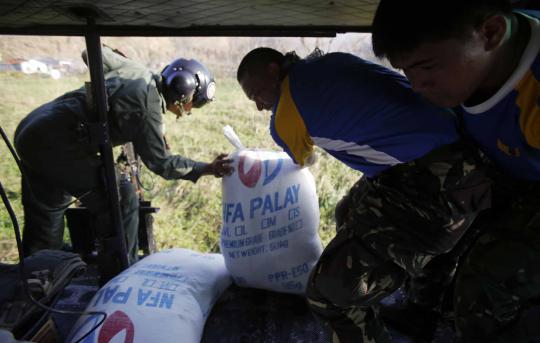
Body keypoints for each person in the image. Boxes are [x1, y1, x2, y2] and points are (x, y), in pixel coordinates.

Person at [236, 47, 491, 342]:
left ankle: (363, 294)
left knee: (326, 296)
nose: (258, 106)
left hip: (434, 182)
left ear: (272, 69)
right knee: (347, 210)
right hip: (465, 158)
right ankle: (420, 309)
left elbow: (303, 160)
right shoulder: (331, 60)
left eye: (256, 94)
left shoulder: (285, 115)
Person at [371, 1, 540, 341]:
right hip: (500, 168)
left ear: (490, 33)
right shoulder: (465, 67)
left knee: (486, 288)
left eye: (426, 67)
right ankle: (424, 309)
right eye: (406, 71)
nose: (417, 85)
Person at [14, 46, 233, 264]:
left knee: (49, 203)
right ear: (182, 93)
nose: (190, 110)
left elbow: (89, 53)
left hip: (33, 131)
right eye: (192, 103)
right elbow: (162, 163)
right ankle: (121, 270)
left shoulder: (137, 70)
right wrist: (207, 168)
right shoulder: (148, 109)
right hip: (56, 142)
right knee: (121, 197)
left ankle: (38, 269)